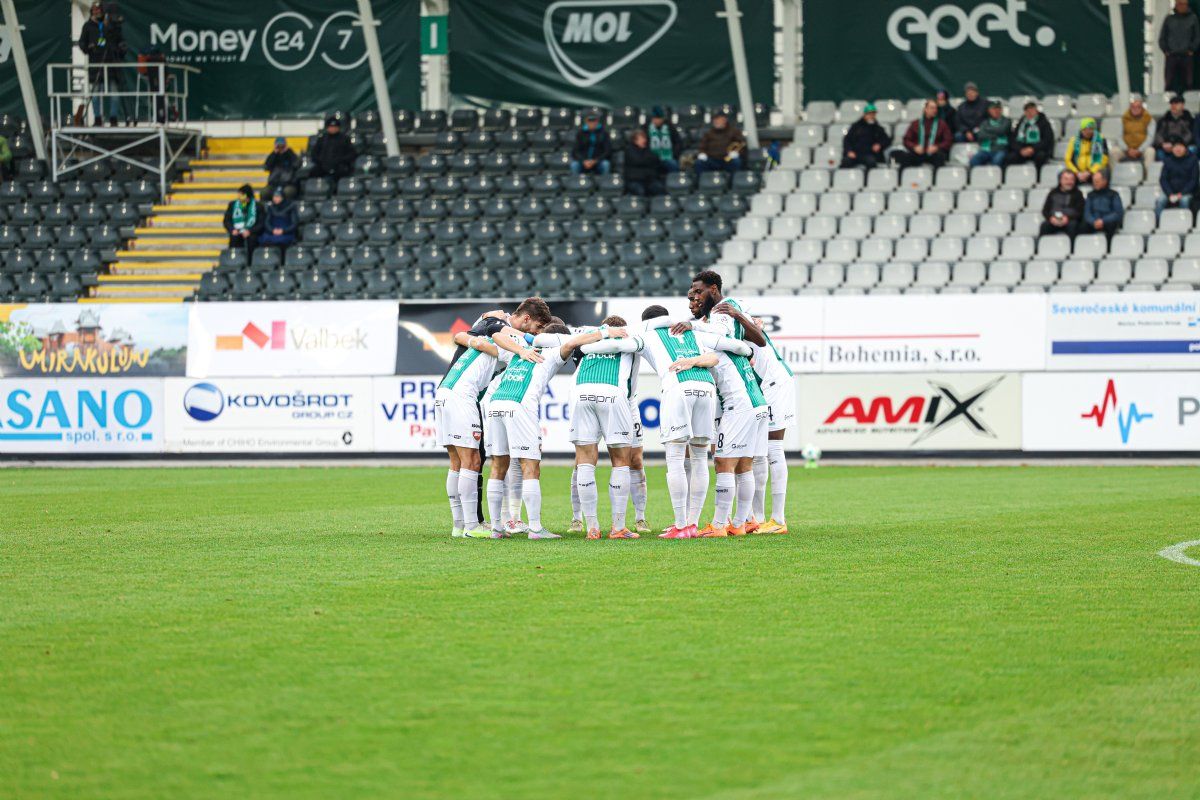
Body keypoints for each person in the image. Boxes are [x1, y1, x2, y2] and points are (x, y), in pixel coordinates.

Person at [469, 323, 615, 539]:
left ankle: (497, 529)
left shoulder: (519, 349)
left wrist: (521, 349)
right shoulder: (553, 353)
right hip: (520, 405)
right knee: (530, 467)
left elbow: (497, 334)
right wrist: (606, 332)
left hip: (496, 404)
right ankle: (536, 529)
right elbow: (574, 343)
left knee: (498, 466)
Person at [439, 300, 552, 538]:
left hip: (446, 390)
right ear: (527, 319)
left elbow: (465, 334)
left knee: (457, 463)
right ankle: (472, 526)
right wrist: (522, 348)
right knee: (471, 460)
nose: (536, 334)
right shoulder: (505, 333)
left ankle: (459, 525)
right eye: (537, 328)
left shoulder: (491, 323)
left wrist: (477, 337)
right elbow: (494, 332)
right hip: (462, 394)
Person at [567, 315, 643, 539]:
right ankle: (618, 527)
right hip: (612, 393)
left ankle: (592, 527)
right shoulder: (630, 339)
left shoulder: (587, 338)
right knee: (620, 460)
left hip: (581, 392)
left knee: (584, 461)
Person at [77, 2, 127, 126]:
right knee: (95, 95)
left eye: (99, 10)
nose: (97, 12)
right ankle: (98, 118)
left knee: (114, 94)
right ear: (91, 12)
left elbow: (120, 42)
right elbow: (82, 43)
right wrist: (88, 47)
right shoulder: (88, 26)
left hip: (111, 64)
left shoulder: (110, 26)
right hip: (96, 64)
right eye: (94, 10)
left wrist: (119, 48)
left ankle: (113, 118)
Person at [894, 99, 952, 168]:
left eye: (936, 108)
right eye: (932, 108)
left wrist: (937, 147)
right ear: (925, 109)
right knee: (906, 158)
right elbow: (906, 139)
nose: (934, 110)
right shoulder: (916, 124)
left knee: (940, 157)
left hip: (934, 153)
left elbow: (948, 140)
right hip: (918, 152)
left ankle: (936, 175)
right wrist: (914, 147)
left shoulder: (942, 124)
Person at [1160, 0, 1200, 94]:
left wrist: (1192, 49)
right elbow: (1162, 37)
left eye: (1184, 4)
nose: (1182, 6)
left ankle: (1189, 99)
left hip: (1187, 56)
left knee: (1188, 82)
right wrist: (1166, 50)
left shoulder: (1193, 18)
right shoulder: (1169, 19)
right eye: (1180, 4)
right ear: (1176, 5)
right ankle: (1168, 98)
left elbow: (1197, 36)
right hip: (1171, 56)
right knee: (1169, 81)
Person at [1156, 136, 1199, 219]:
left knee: (1184, 200)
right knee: (1160, 200)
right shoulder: (1168, 160)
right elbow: (1163, 179)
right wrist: (1170, 194)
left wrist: (1181, 194)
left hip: (1186, 192)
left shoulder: (1193, 160)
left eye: (1180, 146)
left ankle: (1185, 221)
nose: (1178, 149)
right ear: (1172, 149)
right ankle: (1158, 223)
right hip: (1170, 192)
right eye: (1175, 147)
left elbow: (1194, 180)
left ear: (1185, 148)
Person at [840, 103, 891, 170]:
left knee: (871, 162)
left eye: (873, 114)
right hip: (855, 153)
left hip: (870, 154)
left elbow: (886, 140)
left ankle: (870, 177)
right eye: (869, 114)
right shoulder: (855, 127)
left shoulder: (878, 128)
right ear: (864, 114)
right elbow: (847, 140)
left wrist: (879, 145)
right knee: (846, 162)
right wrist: (849, 151)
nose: (871, 116)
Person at [695, 111, 747, 175]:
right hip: (712, 159)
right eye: (715, 120)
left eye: (718, 119)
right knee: (699, 163)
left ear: (724, 120)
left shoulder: (734, 132)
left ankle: (735, 180)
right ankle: (702, 180)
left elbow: (742, 144)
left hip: (728, 159)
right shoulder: (708, 133)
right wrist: (702, 153)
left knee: (736, 161)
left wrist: (737, 153)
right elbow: (702, 146)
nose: (716, 122)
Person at [1111, 95, 1156, 166]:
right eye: (1133, 107)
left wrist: (1140, 150)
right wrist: (1127, 149)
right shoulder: (1123, 119)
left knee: (1151, 151)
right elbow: (1119, 137)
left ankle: (1148, 173)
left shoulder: (1149, 119)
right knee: (1114, 151)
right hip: (1126, 149)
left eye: (1138, 107)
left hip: (1143, 149)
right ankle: (1115, 172)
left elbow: (1150, 137)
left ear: (1142, 108)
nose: (1135, 109)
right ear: (1130, 108)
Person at [1007, 101, 1055, 169]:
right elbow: (1013, 139)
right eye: (1027, 111)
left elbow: (1047, 140)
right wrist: (1020, 149)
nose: (1030, 113)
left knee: (1040, 157)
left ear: (1036, 111)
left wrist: (1033, 149)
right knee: (1011, 157)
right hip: (1023, 149)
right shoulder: (1021, 123)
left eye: (1032, 110)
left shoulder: (1044, 122)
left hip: (1038, 149)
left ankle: (1038, 175)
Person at [222, 184, 263, 261]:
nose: (239, 197)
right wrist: (232, 229)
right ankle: (234, 261)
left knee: (252, 240)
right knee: (234, 238)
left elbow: (261, 223)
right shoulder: (233, 205)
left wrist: (250, 231)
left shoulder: (258, 206)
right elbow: (226, 220)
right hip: (236, 231)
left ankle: (251, 262)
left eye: (241, 195)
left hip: (251, 232)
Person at [308, 116, 356, 180]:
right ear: (327, 128)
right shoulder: (322, 139)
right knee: (313, 173)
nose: (333, 129)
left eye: (335, 127)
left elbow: (352, 154)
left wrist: (341, 160)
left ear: (338, 128)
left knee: (344, 173)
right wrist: (321, 161)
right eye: (331, 127)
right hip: (323, 166)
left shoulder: (345, 139)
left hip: (340, 166)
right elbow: (314, 154)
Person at [1039, 170, 1085, 238]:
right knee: (1044, 226)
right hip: (1054, 220)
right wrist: (1051, 218)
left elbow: (1080, 212)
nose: (1069, 182)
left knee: (1073, 226)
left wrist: (1067, 218)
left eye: (1072, 179)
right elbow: (1045, 210)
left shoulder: (1078, 194)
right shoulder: (1053, 193)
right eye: (1066, 179)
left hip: (1069, 221)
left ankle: (1072, 245)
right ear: (1060, 180)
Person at [1064, 118, 1108, 184]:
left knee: (1100, 176)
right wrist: (1077, 173)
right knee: (1064, 176)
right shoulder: (1074, 140)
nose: (1088, 132)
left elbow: (1103, 159)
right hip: (1077, 172)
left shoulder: (1100, 139)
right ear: (1081, 130)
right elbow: (1067, 160)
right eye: (1085, 129)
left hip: (1094, 171)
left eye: (1090, 129)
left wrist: (1090, 172)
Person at [1082, 169, 1124, 239]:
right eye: (1094, 181)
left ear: (1105, 181)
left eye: (1097, 181)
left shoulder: (1114, 194)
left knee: (1112, 225)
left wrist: (1103, 221)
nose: (1095, 183)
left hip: (1107, 221)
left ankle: (1109, 245)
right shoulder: (1090, 195)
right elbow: (1087, 213)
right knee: (1082, 226)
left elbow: (1118, 213)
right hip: (1094, 221)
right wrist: (1093, 222)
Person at [623, 129, 665, 196]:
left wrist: (646, 160)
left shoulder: (648, 149)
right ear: (635, 141)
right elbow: (637, 160)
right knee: (640, 191)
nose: (644, 140)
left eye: (645, 138)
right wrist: (648, 160)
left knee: (659, 188)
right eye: (642, 138)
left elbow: (656, 160)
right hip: (635, 180)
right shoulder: (629, 150)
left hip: (649, 179)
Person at [968, 100, 1010, 167]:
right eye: (993, 109)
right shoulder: (984, 122)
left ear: (1001, 110)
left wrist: (987, 130)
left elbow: (1001, 130)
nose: (996, 111)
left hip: (1000, 149)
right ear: (989, 110)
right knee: (973, 161)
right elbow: (981, 135)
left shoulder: (1006, 121)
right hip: (986, 149)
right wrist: (995, 136)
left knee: (997, 161)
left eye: (998, 108)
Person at [258, 187, 298, 254]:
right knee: (265, 239)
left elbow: (294, 223)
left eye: (278, 197)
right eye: (274, 197)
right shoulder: (271, 207)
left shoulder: (291, 207)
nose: (275, 199)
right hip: (272, 232)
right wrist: (272, 230)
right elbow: (267, 222)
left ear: (283, 197)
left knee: (281, 241)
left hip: (286, 233)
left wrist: (283, 231)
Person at [645, 105, 682, 172]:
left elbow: (678, 142)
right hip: (651, 158)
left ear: (663, 119)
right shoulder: (646, 128)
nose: (656, 120)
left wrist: (673, 154)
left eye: (659, 118)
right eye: (655, 118)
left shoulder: (670, 127)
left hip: (668, 157)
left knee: (673, 164)